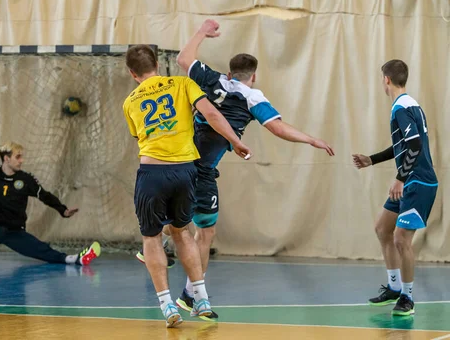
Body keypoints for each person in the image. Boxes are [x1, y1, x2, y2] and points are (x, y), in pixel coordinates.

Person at [138, 19, 334, 318]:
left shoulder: (212, 79)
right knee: (205, 231)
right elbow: (278, 128)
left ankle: (161, 245)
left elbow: (183, 59)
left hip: (177, 162)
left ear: (230, 73)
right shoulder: (252, 96)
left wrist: (202, 32)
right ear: (253, 76)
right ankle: (192, 296)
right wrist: (311, 139)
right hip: (200, 172)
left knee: (183, 226)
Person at [122, 45, 253, 327]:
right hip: (185, 170)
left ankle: (167, 305)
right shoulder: (183, 84)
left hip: (152, 172)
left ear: (132, 73)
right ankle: (202, 299)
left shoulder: (130, 101)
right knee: (183, 233)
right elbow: (214, 116)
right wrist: (237, 141)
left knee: (152, 237)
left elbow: (139, 136)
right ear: (157, 63)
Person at [0, 116, 100, 266]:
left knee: (41, 250)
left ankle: (76, 259)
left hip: (13, 232)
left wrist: (63, 210)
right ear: (6, 158)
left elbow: (44, 196)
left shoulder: (26, 180)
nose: (21, 160)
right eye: (18, 157)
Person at [353, 60, 437, 316]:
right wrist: (372, 159)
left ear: (386, 80)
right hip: (410, 180)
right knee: (382, 229)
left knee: (401, 238)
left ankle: (407, 298)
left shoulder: (401, 107)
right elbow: (404, 144)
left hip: (418, 182)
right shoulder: (410, 104)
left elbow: (414, 146)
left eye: (382, 79)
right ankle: (393, 287)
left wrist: (400, 178)